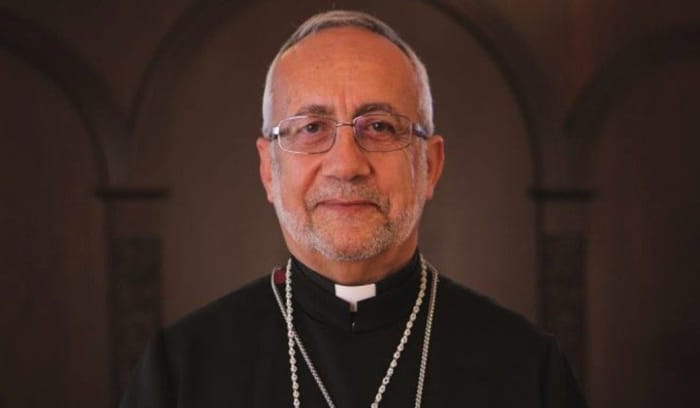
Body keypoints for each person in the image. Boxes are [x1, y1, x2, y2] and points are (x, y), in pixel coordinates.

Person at [120, 10, 587, 407]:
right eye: (311, 128)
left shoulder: (528, 370)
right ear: (268, 169)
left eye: (380, 127)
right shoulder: (179, 373)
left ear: (430, 164)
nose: (346, 165)